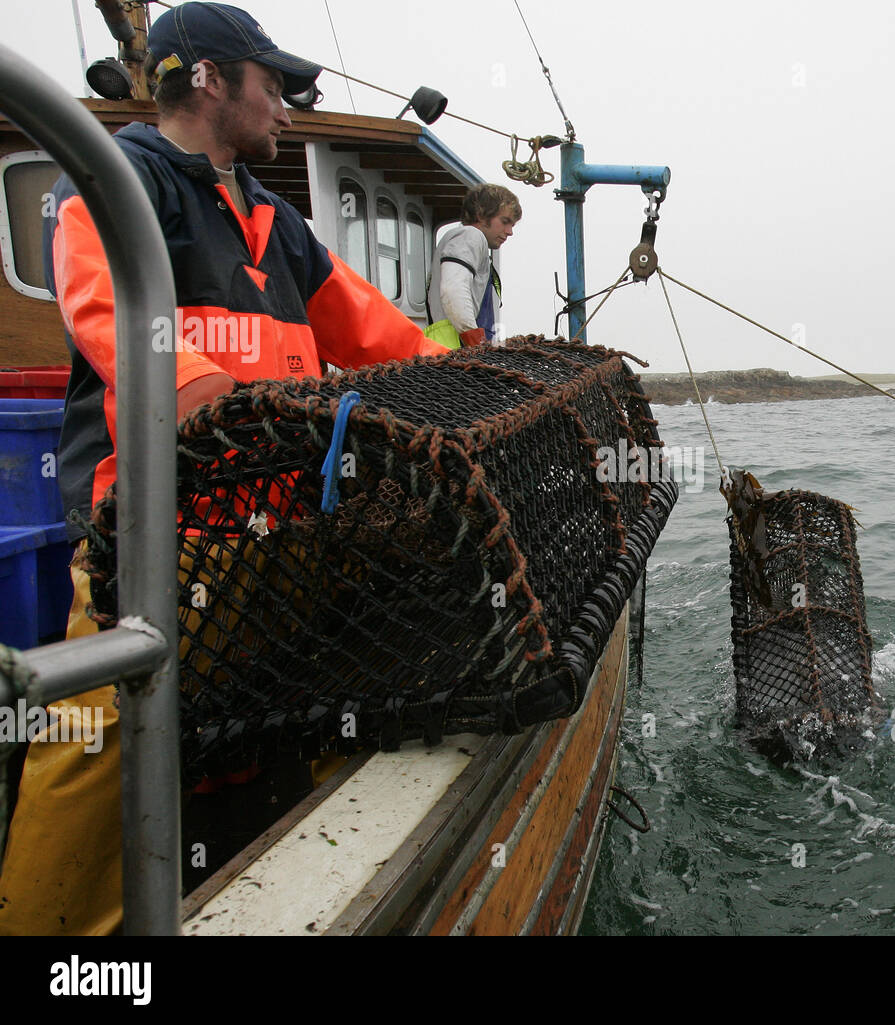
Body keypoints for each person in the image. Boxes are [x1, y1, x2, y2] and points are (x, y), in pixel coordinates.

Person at [0, 1, 449, 936]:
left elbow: (373, 332)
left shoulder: (274, 219)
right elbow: (103, 304)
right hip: (158, 541)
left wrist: (465, 380)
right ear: (207, 77)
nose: (288, 105)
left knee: (261, 720)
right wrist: (211, 394)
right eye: (273, 83)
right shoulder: (119, 179)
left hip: (272, 535)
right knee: (96, 742)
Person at [425, 183, 521, 349]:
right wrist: (476, 343)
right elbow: (453, 289)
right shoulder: (471, 236)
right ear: (481, 215)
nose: (509, 231)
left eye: (512, 225)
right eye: (505, 222)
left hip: (451, 346)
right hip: (455, 349)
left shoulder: (466, 242)